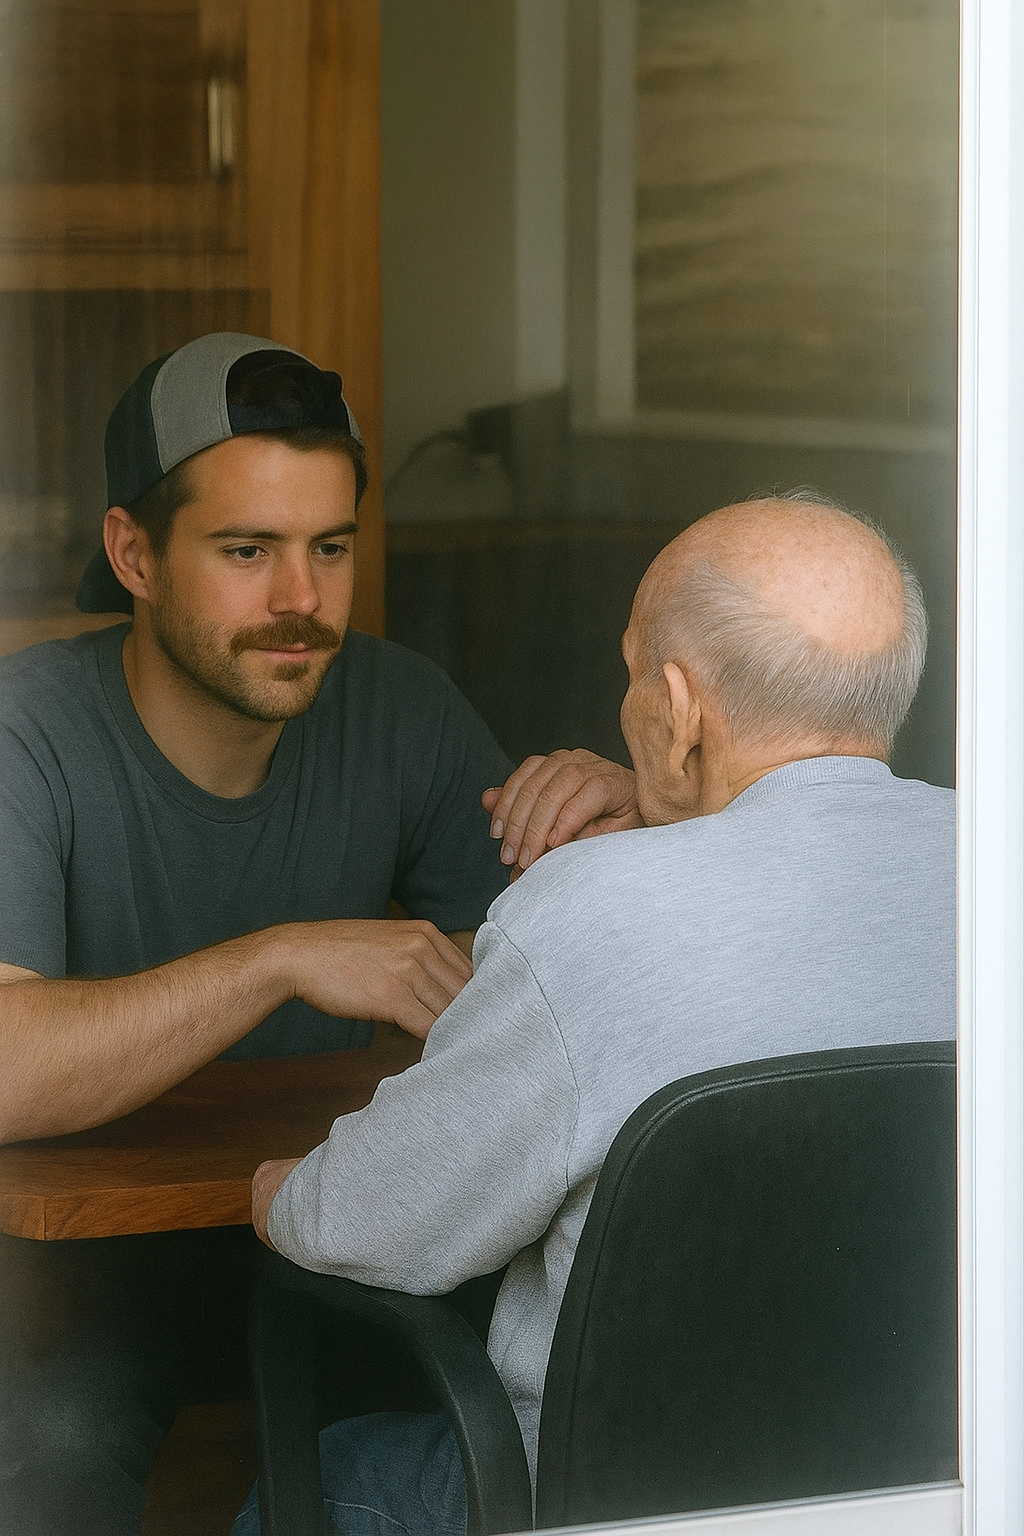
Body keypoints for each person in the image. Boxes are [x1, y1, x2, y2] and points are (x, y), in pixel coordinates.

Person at [0, 332, 637, 1536]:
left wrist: (628, 816)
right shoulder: (24, 734)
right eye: (247, 552)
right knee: (44, 1441)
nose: (301, 600)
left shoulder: (399, 706)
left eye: (329, 549)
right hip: (82, 1277)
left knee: (570, 1381)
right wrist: (280, 955)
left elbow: (581, 988)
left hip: (340, 1241)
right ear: (133, 553)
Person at [239, 492, 956, 1536]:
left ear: (675, 705)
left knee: (326, 1468)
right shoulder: (993, 871)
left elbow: (371, 1228)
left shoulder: (588, 910)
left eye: (630, 675)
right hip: (916, 1480)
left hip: (597, 1496)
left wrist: (282, 1198)